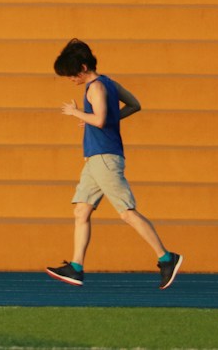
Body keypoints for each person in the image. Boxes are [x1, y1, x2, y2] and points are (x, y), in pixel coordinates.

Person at [45, 38, 183, 289]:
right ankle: (76, 267)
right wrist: (98, 118)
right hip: (95, 160)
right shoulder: (110, 83)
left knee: (126, 212)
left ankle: (166, 257)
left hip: (104, 158)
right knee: (81, 211)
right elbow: (134, 105)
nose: (71, 80)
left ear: (83, 68)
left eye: (72, 75)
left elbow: (99, 120)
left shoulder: (95, 88)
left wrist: (76, 113)